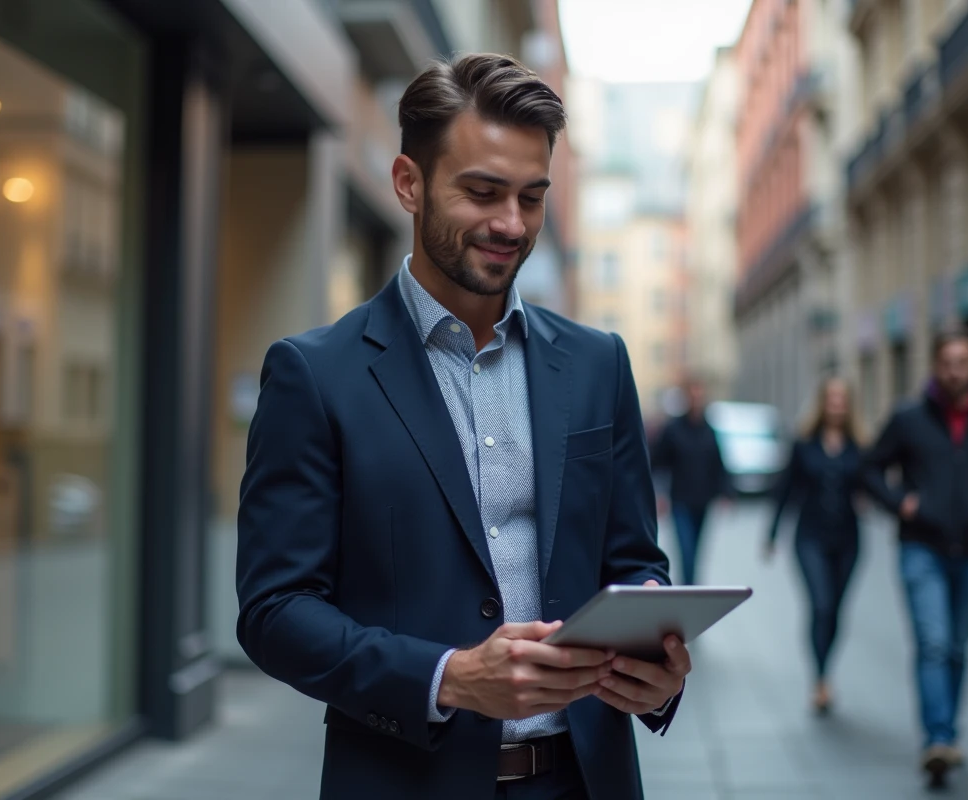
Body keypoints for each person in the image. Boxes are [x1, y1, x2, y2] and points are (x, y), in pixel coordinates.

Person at [236, 54, 689, 800]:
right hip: (404, 781)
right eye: (482, 193)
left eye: (532, 197)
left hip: (584, 782)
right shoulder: (314, 376)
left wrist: (655, 666)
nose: (512, 225)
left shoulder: (597, 363)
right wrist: (449, 678)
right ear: (408, 183)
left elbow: (635, 561)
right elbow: (275, 612)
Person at [863, 328, 968, 786]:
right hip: (921, 548)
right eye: (948, 362)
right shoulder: (910, 417)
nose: (956, 370)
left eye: (964, 362)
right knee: (933, 643)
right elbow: (872, 467)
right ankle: (938, 738)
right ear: (936, 366)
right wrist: (901, 503)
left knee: (956, 647)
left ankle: (948, 736)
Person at [764, 378, 865, 715]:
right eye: (831, 398)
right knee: (821, 605)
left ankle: (826, 670)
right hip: (809, 538)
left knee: (835, 611)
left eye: (842, 398)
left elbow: (874, 484)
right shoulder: (804, 443)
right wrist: (772, 534)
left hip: (848, 541)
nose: (837, 404)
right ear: (823, 402)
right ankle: (820, 679)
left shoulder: (859, 446)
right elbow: (785, 489)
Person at [650, 376, 731, 585]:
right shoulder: (673, 429)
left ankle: (691, 587)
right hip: (680, 501)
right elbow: (657, 463)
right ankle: (689, 588)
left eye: (700, 394)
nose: (696, 399)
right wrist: (659, 494)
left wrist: (726, 493)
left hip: (703, 501)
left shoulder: (709, 430)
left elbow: (718, 464)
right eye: (692, 394)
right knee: (686, 550)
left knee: (696, 551)